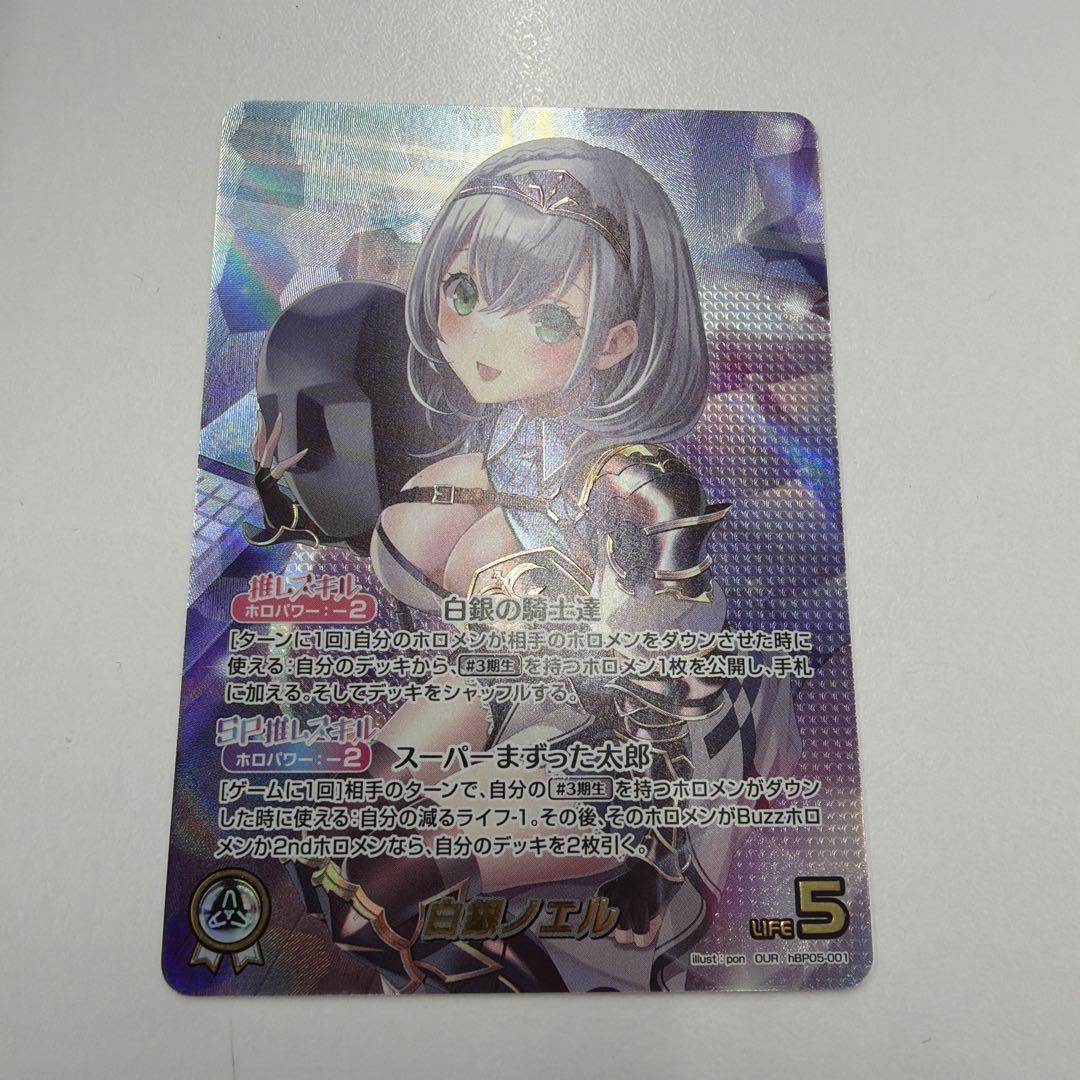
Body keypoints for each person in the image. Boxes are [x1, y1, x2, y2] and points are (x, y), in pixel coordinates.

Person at [253, 137, 802, 992]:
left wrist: (649, 855)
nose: (485, 338)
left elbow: (664, 682)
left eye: (547, 319)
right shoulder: (501, 431)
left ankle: (538, 980)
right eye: (464, 293)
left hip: (631, 746)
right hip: (511, 678)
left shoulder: (635, 484)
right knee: (339, 854)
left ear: (616, 341)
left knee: (380, 896)